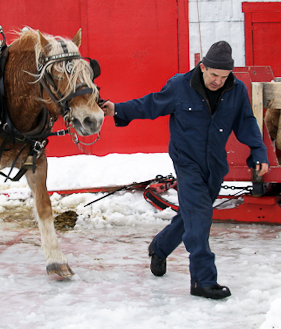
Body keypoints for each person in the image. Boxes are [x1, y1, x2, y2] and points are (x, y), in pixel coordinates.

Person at [101, 41, 269, 299]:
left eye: (223, 77)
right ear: (202, 67)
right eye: (213, 75)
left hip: (215, 165)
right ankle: (203, 281)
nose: (218, 81)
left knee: (192, 215)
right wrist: (118, 109)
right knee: (200, 217)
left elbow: (246, 122)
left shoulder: (236, 90)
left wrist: (258, 152)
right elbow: (151, 104)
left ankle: (160, 246)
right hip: (187, 162)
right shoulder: (180, 86)